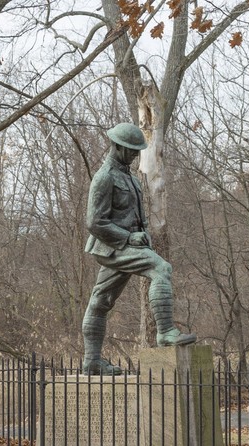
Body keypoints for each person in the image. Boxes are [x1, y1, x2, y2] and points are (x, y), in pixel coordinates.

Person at [81, 122, 196, 375]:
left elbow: (136, 215)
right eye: (131, 150)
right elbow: (94, 222)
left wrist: (143, 236)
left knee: (100, 301)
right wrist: (128, 238)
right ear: (117, 147)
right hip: (114, 246)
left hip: (129, 245)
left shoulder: (129, 177)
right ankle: (165, 333)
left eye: (137, 150)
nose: (135, 155)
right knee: (160, 268)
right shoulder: (104, 177)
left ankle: (92, 362)